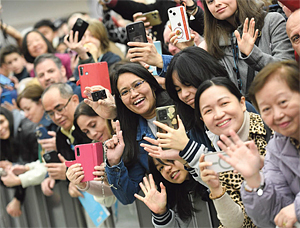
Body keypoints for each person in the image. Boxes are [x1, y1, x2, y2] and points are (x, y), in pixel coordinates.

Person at [143, 77, 271, 227]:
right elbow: (237, 223)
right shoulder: (219, 154)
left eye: (224, 103)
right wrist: (216, 189)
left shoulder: (273, 125)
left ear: (242, 103)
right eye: (208, 110)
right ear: (202, 119)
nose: (218, 114)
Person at [218, 60, 300, 228]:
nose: (277, 115)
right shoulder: (276, 148)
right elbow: (272, 218)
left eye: (283, 102)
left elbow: (292, 211)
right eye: (267, 109)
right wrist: (254, 179)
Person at [84, 62, 174, 204]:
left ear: (151, 83)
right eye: (125, 92)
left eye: (137, 84)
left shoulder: (177, 105)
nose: (134, 94)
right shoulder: (132, 134)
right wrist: (113, 163)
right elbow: (127, 196)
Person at [201, 0, 295, 94]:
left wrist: (252, 54)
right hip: (242, 106)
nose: (217, 3)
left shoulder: (271, 21)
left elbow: (287, 70)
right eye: (210, 1)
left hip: (280, 97)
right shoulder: (213, 41)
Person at [134, 158, 218, 228]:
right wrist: (161, 213)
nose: (167, 169)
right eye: (161, 168)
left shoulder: (213, 172)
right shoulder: (179, 196)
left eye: (169, 159)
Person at [40, 83, 90, 198]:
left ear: (75, 100)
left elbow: (100, 163)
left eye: (60, 109)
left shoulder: (91, 122)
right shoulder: (60, 134)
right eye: (51, 113)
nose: (57, 117)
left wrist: (69, 173)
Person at [66, 101, 116, 207]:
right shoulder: (99, 148)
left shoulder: (127, 134)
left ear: (104, 114)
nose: (93, 134)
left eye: (93, 125)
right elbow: (107, 198)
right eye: (86, 132)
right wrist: (82, 184)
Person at [0, 107, 38, 217]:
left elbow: (42, 164)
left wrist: (18, 198)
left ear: (8, 118)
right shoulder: (5, 139)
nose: (0, 128)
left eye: (1, 122)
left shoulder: (27, 130)